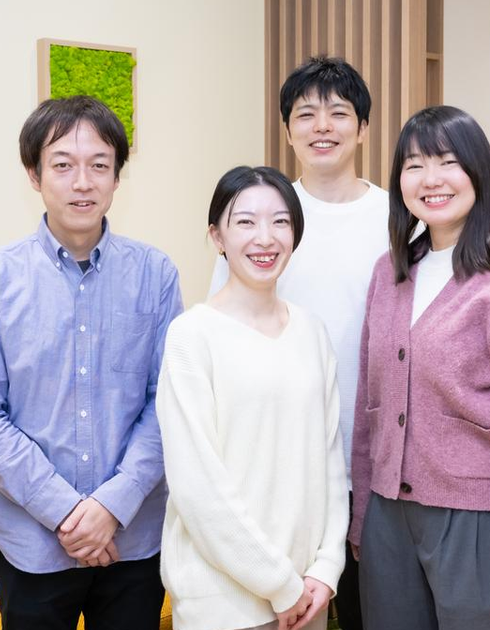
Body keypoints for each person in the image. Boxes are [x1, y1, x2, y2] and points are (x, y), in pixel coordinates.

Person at [0, 95, 182, 630]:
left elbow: (168, 403)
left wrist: (112, 506)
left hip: (133, 541)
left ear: (117, 177)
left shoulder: (155, 274)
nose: (83, 182)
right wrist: (67, 513)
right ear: (34, 174)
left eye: (99, 165)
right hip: (31, 545)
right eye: (63, 165)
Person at [349, 106, 490, 630]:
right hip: (387, 518)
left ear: (478, 171)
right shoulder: (389, 272)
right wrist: (364, 517)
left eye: (448, 162)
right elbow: (369, 410)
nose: (431, 179)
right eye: (414, 165)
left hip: (477, 522)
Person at [208, 57, 386, 630]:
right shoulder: (263, 217)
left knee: (370, 613)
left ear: (363, 127)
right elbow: (222, 337)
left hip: (375, 467)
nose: (322, 126)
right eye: (306, 114)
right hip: (279, 469)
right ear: (287, 130)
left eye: (339, 113)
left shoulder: (396, 217)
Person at [159, 166, 349, 630]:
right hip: (222, 603)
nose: (265, 238)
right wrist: (280, 585)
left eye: (280, 221)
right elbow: (197, 487)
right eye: (245, 222)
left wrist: (326, 568)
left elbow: (329, 460)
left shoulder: (311, 331)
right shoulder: (191, 336)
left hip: (306, 595)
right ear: (217, 236)